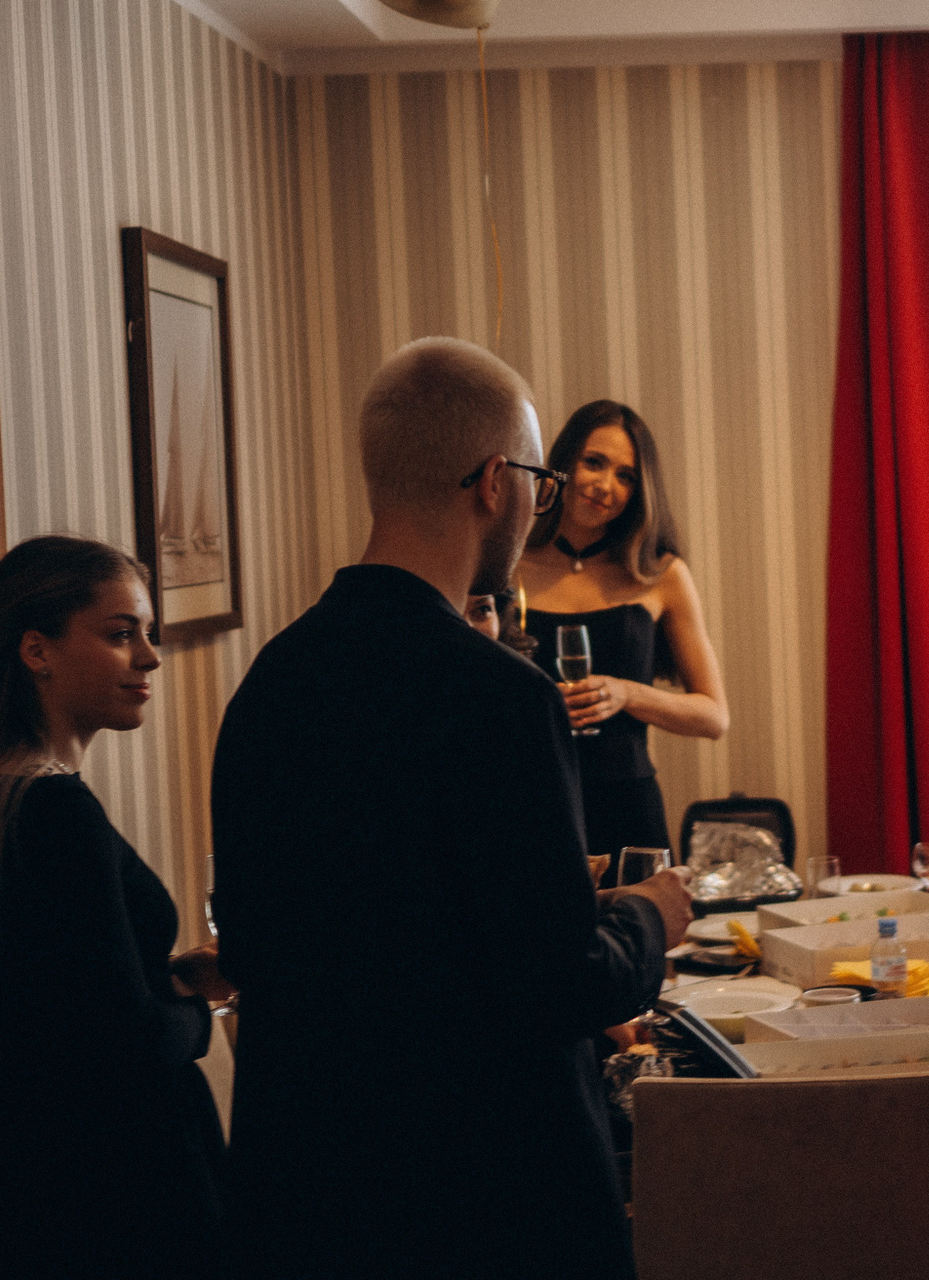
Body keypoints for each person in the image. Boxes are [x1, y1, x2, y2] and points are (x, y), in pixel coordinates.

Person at [211, 339, 691, 1279]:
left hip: (312, 1188)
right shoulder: (502, 699)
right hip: (483, 1195)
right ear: (495, 482)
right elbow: (557, 984)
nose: (538, 506)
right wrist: (645, 918)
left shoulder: (270, 683)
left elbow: (282, 940)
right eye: (541, 483)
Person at [0, 534, 229, 1278]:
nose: (150, 658)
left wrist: (171, 977)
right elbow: (121, 1044)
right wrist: (201, 1008)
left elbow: (66, 1002)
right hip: (115, 1191)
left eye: (149, 633)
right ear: (37, 650)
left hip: (39, 1179)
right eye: (121, 634)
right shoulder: (54, 810)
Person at [519, 400, 728, 866]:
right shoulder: (506, 565)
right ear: (564, 462)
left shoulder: (660, 575)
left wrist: (626, 693)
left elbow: (714, 717)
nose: (605, 485)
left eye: (625, 476)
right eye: (594, 462)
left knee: (642, 914)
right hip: (528, 800)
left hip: (627, 807)